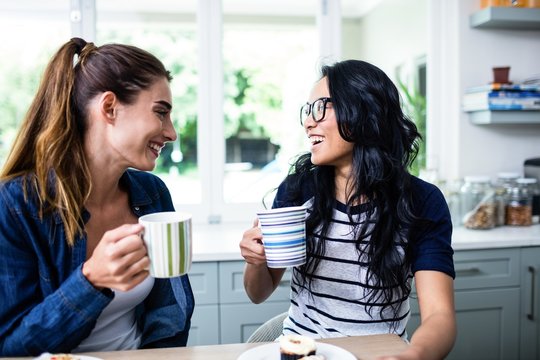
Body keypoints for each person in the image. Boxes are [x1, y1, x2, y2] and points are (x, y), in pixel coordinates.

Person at [240, 60, 456, 360]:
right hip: (304, 352)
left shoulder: (422, 201)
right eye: (307, 110)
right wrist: (256, 260)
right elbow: (257, 292)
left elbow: (440, 316)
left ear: (362, 111)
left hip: (380, 353)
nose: (308, 122)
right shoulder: (297, 190)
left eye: (320, 107)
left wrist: (414, 355)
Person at [0, 38, 194, 356]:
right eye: (161, 113)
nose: (171, 132)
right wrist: (90, 281)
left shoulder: (153, 193)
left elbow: (169, 314)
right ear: (109, 108)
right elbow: (10, 349)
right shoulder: (15, 205)